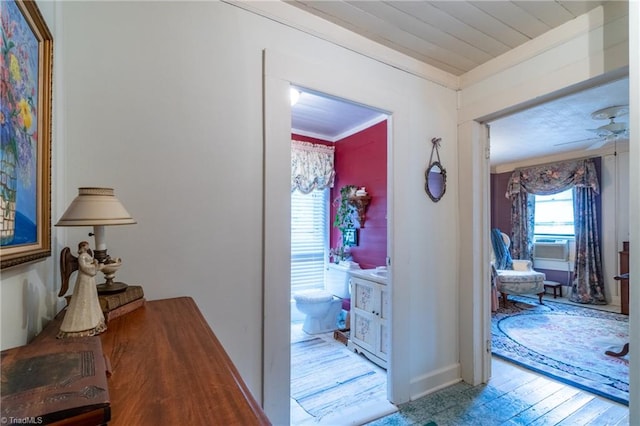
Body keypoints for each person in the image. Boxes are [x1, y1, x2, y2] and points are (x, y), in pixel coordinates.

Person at [57, 241, 107, 338]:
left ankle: (93, 321)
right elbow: (84, 267)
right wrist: (95, 266)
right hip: (85, 278)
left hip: (90, 280)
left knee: (91, 297)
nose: (88, 247)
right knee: (83, 297)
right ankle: (80, 325)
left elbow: (90, 263)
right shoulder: (81, 257)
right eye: (86, 245)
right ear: (83, 247)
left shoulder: (86, 255)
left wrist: (96, 263)